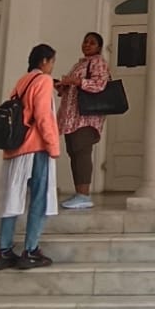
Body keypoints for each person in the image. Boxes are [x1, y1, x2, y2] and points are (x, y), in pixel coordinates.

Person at [0, 43, 60, 270]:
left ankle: (4, 250)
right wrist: (53, 146)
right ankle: (30, 250)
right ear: (44, 61)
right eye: (52, 61)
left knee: (11, 198)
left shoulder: (22, 81)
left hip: (15, 147)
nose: (52, 66)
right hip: (36, 146)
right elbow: (43, 115)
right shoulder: (44, 80)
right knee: (39, 198)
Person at [56, 31, 110, 210]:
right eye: (85, 41)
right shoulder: (80, 63)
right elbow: (74, 89)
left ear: (99, 47)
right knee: (74, 153)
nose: (87, 45)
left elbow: (99, 85)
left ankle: (84, 195)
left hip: (86, 118)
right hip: (72, 119)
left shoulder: (98, 62)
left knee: (82, 153)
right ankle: (79, 192)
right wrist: (63, 86)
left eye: (92, 42)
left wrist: (78, 82)